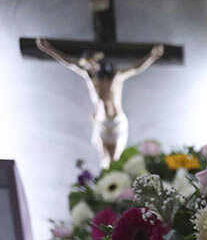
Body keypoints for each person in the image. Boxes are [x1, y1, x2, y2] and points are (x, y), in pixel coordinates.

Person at [35, 38, 165, 167]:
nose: (88, 66)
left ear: (98, 61)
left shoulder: (116, 77)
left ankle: (121, 183)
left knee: (116, 158)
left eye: (90, 63)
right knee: (104, 158)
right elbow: (70, 64)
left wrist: (151, 57)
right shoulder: (89, 77)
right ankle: (101, 183)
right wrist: (50, 50)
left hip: (117, 121)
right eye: (87, 64)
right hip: (101, 122)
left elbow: (135, 69)